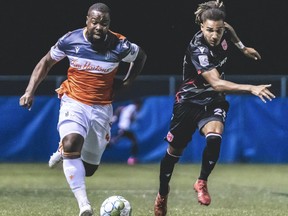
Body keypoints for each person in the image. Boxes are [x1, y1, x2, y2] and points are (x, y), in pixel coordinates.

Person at [19, 3, 147, 216]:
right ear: (87, 20)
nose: (99, 27)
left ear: (109, 24)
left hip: (101, 108)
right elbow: (46, 62)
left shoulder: (120, 45)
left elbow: (141, 56)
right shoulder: (71, 40)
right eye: (95, 22)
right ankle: (84, 206)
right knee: (72, 143)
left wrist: (127, 82)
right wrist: (29, 91)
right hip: (73, 101)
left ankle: (64, 151)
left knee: (88, 169)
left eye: (104, 23)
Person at [153, 0, 275, 215]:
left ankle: (201, 181)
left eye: (218, 30)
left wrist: (242, 47)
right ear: (201, 27)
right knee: (173, 153)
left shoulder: (223, 30)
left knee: (215, 134)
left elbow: (229, 29)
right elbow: (217, 83)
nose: (214, 35)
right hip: (188, 102)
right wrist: (251, 88)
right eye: (209, 30)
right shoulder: (198, 48)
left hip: (213, 101)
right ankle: (162, 194)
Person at [109, 98, 143, 165]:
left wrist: (115, 116)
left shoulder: (130, 108)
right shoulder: (132, 108)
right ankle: (100, 149)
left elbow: (120, 108)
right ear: (137, 104)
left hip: (125, 129)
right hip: (124, 128)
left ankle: (133, 158)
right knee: (112, 141)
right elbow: (129, 116)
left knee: (134, 141)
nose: (140, 107)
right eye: (140, 105)